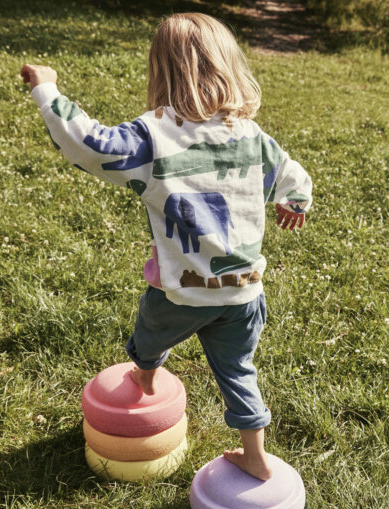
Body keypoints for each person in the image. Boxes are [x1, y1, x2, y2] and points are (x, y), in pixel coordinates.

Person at [21, 13, 312, 481]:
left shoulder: (154, 137)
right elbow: (292, 173)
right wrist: (295, 202)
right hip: (243, 293)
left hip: (182, 293)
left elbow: (87, 144)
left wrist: (47, 89)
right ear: (228, 66)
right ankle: (255, 456)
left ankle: (146, 376)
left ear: (161, 70)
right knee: (239, 371)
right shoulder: (252, 136)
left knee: (150, 334)